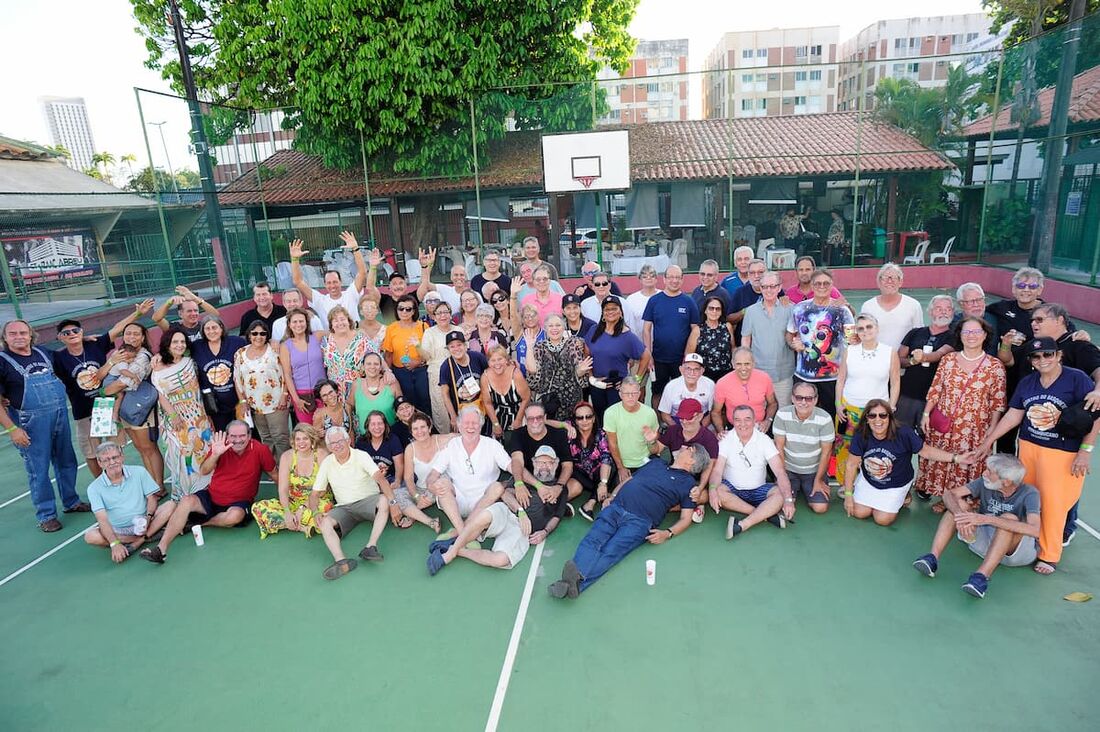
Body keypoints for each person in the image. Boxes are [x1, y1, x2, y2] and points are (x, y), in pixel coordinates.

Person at [979, 337, 1099, 575]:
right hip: (1029, 447)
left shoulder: (1077, 379)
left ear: (1058, 355)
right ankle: (1025, 544)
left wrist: (1085, 452)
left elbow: (1095, 418)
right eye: (1036, 356)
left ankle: (1049, 554)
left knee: (1054, 504)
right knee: (1026, 499)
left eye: (1047, 354)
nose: (1042, 360)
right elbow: (1014, 415)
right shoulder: (1028, 382)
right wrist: (989, 440)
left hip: (1062, 452)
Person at [547, 445, 711, 599]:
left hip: (639, 522)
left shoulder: (688, 484)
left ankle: (572, 583)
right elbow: (629, 480)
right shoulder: (657, 463)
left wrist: (667, 533)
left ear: (692, 461)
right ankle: (573, 585)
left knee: (611, 552)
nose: (682, 447)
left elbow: (686, 518)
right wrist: (612, 496)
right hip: (616, 507)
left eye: (688, 449)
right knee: (592, 540)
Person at [140, 421, 278, 564]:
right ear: (227, 436)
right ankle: (161, 549)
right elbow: (204, 470)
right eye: (233, 436)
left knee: (235, 516)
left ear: (249, 436)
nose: (237, 440)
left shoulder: (261, 450)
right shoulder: (220, 446)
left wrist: (288, 498)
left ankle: (200, 524)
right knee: (186, 500)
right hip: (212, 496)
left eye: (242, 436)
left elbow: (274, 474)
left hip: (239, 502)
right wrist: (216, 454)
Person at [0, 319, 91, 531]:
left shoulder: (43, 353)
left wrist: (83, 339)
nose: (19, 336)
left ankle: (71, 501)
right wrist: (12, 429)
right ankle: (46, 514)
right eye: (13, 334)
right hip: (29, 423)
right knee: (38, 469)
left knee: (67, 461)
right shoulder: (3, 361)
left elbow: (68, 354)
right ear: (5, 338)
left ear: (31, 335)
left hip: (58, 415)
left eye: (23, 332)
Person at [912, 454, 1041, 599]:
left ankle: (980, 578)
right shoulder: (985, 482)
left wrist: (987, 519)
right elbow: (949, 494)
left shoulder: (1030, 493)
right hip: (986, 542)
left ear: (1006, 482)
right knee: (958, 506)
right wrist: (959, 515)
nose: (984, 473)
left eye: (989, 472)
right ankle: (932, 558)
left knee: (1008, 519)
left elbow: (1034, 530)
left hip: (1016, 554)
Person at [427, 445, 565, 575]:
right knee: (484, 516)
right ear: (534, 463)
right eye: (541, 462)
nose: (544, 467)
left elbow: (556, 517)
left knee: (501, 560)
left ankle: (456, 550)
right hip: (507, 512)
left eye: (549, 463)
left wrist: (545, 532)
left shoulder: (560, 489)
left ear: (555, 464)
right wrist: (520, 511)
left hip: (523, 530)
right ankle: (448, 556)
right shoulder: (523, 477)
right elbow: (504, 492)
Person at [52, 301, 152, 477]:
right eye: (66, 333)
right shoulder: (57, 357)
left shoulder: (95, 344)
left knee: (114, 450)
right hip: (83, 411)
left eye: (75, 331)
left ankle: (119, 482)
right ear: (60, 337)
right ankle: (102, 484)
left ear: (82, 332)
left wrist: (138, 314)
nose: (72, 334)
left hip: (105, 405)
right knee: (92, 453)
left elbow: (118, 327)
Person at [914, 317, 1006, 506]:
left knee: (969, 462)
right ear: (960, 335)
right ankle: (944, 498)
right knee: (943, 460)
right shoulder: (948, 360)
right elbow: (936, 389)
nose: (971, 336)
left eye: (976, 332)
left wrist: (993, 429)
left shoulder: (995, 366)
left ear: (985, 335)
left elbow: (998, 401)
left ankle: (963, 498)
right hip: (945, 424)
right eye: (966, 332)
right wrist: (926, 414)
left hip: (975, 427)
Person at [842, 399, 970, 526]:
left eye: (883, 415)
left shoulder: (904, 432)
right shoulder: (861, 434)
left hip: (896, 483)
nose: (878, 420)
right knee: (859, 513)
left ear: (890, 418)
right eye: (872, 415)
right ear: (867, 419)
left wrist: (956, 458)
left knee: (882, 520)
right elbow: (851, 465)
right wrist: (848, 495)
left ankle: (904, 495)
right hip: (870, 480)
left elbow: (926, 451)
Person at [308, 426, 397, 580]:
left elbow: (381, 479)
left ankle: (371, 546)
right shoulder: (327, 462)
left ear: (348, 440)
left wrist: (393, 502)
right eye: (333, 443)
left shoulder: (361, 456)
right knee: (324, 522)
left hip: (368, 501)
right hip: (344, 507)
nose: (337, 445)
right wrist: (315, 511)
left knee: (383, 501)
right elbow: (314, 494)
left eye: (340, 440)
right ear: (328, 446)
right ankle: (341, 561)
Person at [707, 405, 795, 538]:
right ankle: (765, 515)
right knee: (718, 491)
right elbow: (717, 471)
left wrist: (788, 500)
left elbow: (780, 472)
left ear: (755, 421)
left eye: (747, 419)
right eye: (738, 419)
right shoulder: (725, 439)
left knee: (781, 494)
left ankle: (743, 524)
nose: (742, 424)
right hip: (732, 491)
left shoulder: (764, 440)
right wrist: (712, 490)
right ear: (732, 421)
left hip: (758, 489)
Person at [834, 314, 900, 485]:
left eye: (869, 327)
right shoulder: (850, 351)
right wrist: (838, 404)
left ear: (877, 328)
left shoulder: (889, 352)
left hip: (876, 414)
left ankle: (871, 483)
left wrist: (891, 408)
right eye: (861, 328)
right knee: (845, 449)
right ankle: (846, 484)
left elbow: (895, 382)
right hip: (849, 410)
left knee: (875, 449)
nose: (865, 331)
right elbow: (840, 380)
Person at [99, 321, 165, 491]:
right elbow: (100, 375)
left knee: (148, 447)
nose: (131, 337)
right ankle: (152, 485)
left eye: (136, 334)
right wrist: (110, 367)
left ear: (143, 338)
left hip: (140, 407)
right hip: (126, 408)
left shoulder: (144, 356)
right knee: (140, 448)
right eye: (128, 333)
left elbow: (128, 382)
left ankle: (159, 486)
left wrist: (105, 391)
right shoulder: (119, 354)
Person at [150, 325, 214, 500]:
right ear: (167, 344)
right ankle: (188, 493)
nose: (179, 345)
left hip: (198, 416)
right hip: (177, 419)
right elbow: (160, 394)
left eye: (182, 342)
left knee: (204, 450)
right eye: (175, 342)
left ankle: (208, 488)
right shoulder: (157, 367)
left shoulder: (189, 362)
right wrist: (173, 415)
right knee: (183, 453)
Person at [83, 442, 176, 561]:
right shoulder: (94, 488)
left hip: (145, 521)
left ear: (122, 457)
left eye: (115, 457)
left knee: (171, 505)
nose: (112, 462)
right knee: (90, 536)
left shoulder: (139, 472)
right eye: (106, 460)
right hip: (118, 530)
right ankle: (146, 537)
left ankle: (138, 542)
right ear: (100, 463)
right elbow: (102, 519)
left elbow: (152, 499)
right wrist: (114, 543)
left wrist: (147, 519)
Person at [425, 406, 511, 532]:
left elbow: (511, 466)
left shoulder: (492, 445)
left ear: (480, 426)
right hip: (459, 500)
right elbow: (433, 474)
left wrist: (523, 482)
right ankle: (463, 530)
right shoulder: (451, 445)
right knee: (441, 483)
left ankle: (462, 531)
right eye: (466, 423)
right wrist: (430, 485)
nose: (470, 427)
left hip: (485, 501)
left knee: (497, 487)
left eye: (475, 423)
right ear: (459, 425)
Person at [787, 267, 854, 421]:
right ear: (811, 286)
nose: (822, 287)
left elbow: (852, 341)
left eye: (826, 283)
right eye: (817, 284)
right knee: (804, 417)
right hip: (804, 376)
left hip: (833, 379)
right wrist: (793, 344)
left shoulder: (842, 311)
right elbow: (790, 335)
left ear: (832, 286)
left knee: (831, 420)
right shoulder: (799, 309)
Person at [250, 423, 333, 539]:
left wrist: (303, 508)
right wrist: (287, 511)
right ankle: (303, 526)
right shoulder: (287, 456)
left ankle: (286, 523)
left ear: (312, 440)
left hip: (317, 500)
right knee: (258, 507)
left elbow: (324, 489)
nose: (301, 442)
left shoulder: (321, 455)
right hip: (293, 501)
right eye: (298, 439)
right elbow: (283, 489)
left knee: (325, 510)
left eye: (305, 438)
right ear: (293, 441)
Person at [647, 398, 719, 521]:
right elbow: (656, 450)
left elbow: (709, 467)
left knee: (703, 495)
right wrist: (652, 440)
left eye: (688, 418)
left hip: (694, 481)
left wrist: (700, 488)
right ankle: (691, 507)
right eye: (681, 417)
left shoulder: (709, 438)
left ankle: (662, 507)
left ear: (700, 416)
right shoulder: (673, 430)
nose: (684, 421)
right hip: (673, 476)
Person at [772, 382, 835, 514]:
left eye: (809, 398)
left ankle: (805, 487)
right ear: (793, 398)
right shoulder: (782, 415)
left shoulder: (825, 418)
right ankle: (795, 487)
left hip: (813, 471)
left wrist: (818, 480)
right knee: (779, 504)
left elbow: (826, 452)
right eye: (799, 397)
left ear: (816, 399)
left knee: (820, 508)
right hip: (789, 469)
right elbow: (779, 448)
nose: (804, 402)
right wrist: (783, 477)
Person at [642, 265, 700, 408]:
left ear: (682, 279)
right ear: (664, 279)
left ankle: (679, 425)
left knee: (681, 394)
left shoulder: (689, 302)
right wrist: (649, 355)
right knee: (657, 393)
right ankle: (658, 423)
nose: (674, 280)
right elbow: (646, 330)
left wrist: (689, 356)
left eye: (677, 277)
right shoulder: (654, 301)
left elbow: (696, 330)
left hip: (681, 360)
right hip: (659, 358)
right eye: (671, 277)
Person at [895, 295, 956, 427]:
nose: (944, 312)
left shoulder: (955, 336)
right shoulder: (915, 333)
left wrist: (923, 357)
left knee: (927, 439)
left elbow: (940, 353)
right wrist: (912, 361)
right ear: (930, 312)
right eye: (939, 308)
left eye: (948, 309)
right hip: (907, 395)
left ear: (953, 312)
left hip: (936, 399)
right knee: (901, 434)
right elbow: (899, 359)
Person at [234, 320, 291, 460]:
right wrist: (242, 401)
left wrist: (284, 395)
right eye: (254, 333)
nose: (258, 336)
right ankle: (271, 465)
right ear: (249, 334)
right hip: (254, 405)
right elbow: (237, 379)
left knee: (280, 437)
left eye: (262, 333)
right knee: (265, 437)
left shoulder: (275, 350)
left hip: (277, 402)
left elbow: (285, 373)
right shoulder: (240, 353)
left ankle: (284, 466)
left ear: (267, 335)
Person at [585, 297, 650, 414]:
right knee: (600, 418)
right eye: (607, 309)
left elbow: (646, 355)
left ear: (620, 312)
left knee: (616, 418)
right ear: (603, 313)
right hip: (597, 384)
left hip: (617, 386)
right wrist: (591, 378)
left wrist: (636, 380)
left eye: (614, 309)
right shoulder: (594, 330)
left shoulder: (627, 336)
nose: (610, 312)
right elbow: (587, 352)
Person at [742, 270, 796, 407]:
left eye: (773, 286)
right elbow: (746, 340)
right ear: (760, 288)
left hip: (784, 374)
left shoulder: (791, 309)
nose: (769, 290)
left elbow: (797, 337)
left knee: (784, 412)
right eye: (765, 286)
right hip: (758, 373)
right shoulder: (751, 311)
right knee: (760, 413)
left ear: (779, 287)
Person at [289, 233, 367, 324]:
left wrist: (355, 249)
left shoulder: (350, 294)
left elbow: (362, 272)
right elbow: (298, 282)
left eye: (335, 282)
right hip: (331, 338)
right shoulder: (320, 300)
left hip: (354, 337)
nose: (332, 286)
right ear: (325, 284)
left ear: (341, 282)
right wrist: (295, 259)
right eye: (329, 283)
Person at [509, 401, 574, 508]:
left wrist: (559, 486)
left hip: (553, 481)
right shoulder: (518, 434)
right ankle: (557, 505)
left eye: (539, 417)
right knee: (506, 488)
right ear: (525, 420)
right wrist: (519, 483)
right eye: (531, 418)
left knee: (576, 487)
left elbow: (567, 465)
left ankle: (547, 503)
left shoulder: (559, 434)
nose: (535, 421)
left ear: (545, 418)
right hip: (529, 480)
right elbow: (517, 460)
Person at [525, 314, 589, 422]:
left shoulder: (573, 344)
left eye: (558, 325)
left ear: (563, 327)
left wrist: (581, 370)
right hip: (549, 401)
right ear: (545, 328)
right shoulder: (539, 347)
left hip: (571, 399)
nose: (554, 328)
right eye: (551, 326)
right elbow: (532, 371)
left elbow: (579, 372)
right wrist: (530, 347)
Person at [190, 315, 247, 431]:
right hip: (214, 405)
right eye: (207, 328)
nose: (211, 331)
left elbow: (256, 345)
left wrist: (273, 342)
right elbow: (175, 352)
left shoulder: (236, 342)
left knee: (245, 433)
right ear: (203, 331)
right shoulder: (197, 347)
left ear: (221, 328)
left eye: (214, 327)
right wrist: (159, 356)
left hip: (238, 400)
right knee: (222, 435)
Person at [603, 377, 660, 486]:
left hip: (644, 461)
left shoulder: (650, 413)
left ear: (639, 394)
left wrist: (652, 441)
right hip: (621, 463)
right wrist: (621, 468)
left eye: (634, 393)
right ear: (620, 394)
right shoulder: (611, 413)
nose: (630, 397)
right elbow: (612, 444)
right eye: (626, 393)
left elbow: (654, 450)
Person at [396, 413, 447, 532]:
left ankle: (413, 514)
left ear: (429, 428)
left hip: (438, 486)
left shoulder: (441, 440)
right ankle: (430, 521)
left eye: (423, 427)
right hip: (421, 488)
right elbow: (408, 478)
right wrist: (416, 496)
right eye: (415, 429)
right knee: (396, 494)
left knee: (442, 480)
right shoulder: (410, 449)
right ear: (412, 432)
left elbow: (461, 435)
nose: (420, 431)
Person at [382, 294, 431, 417]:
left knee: (425, 401)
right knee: (406, 403)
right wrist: (387, 372)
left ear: (414, 310)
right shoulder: (391, 329)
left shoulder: (424, 327)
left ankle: (428, 428)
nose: (404, 312)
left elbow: (429, 352)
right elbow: (388, 354)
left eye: (408, 309)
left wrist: (418, 362)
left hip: (421, 370)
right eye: (401, 308)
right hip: (400, 372)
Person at [567, 401, 615, 521]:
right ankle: (603, 495)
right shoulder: (570, 430)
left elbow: (605, 458)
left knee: (609, 467)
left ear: (594, 418)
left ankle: (591, 503)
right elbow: (547, 422)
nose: (584, 420)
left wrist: (603, 483)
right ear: (575, 421)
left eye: (588, 417)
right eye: (580, 418)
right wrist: (564, 426)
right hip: (579, 473)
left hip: (597, 473)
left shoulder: (600, 434)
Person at [355, 411, 406, 520]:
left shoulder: (393, 439)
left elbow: (399, 464)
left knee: (402, 487)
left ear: (385, 425)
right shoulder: (361, 442)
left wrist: (397, 481)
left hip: (390, 479)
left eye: (380, 423)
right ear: (367, 426)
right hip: (370, 482)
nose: (377, 427)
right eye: (373, 424)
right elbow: (358, 469)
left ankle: (395, 507)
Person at [712, 349, 777, 435]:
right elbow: (715, 412)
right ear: (733, 364)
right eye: (739, 364)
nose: (743, 368)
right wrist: (721, 431)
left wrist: (768, 421)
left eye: (747, 364)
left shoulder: (764, 378)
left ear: (753, 363)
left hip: (761, 427)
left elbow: (773, 403)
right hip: (735, 428)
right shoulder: (722, 383)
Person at [278, 308, 326, 425]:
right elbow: (287, 375)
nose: (298, 324)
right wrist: (296, 399)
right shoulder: (285, 346)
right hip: (302, 394)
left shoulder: (317, 336)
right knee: (309, 429)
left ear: (306, 323)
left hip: (322, 391)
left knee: (325, 426)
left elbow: (338, 331)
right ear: (289, 324)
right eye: (294, 322)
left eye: (301, 321)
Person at [859, 263, 923, 348]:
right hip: (874, 358)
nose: (889, 281)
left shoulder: (914, 305)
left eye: (894, 278)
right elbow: (862, 335)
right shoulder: (868, 306)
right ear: (879, 282)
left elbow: (919, 336)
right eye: (885, 278)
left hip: (902, 360)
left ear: (900, 282)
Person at [419, 298, 458, 432]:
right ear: (434, 317)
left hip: (457, 373)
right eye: (439, 313)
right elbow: (426, 357)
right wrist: (417, 347)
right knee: (440, 409)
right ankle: (445, 438)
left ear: (450, 314)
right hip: (436, 374)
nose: (443, 316)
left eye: (445, 312)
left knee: (459, 404)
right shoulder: (429, 332)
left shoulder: (457, 330)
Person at [438, 330, 489, 432]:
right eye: (452, 346)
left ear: (466, 345)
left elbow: (490, 376)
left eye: (459, 345)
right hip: (462, 410)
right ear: (448, 349)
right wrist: (453, 417)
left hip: (483, 407)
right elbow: (445, 394)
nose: (456, 349)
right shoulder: (446, 366)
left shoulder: (477, 357)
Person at [481, 345, 530, 440]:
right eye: (493, 360)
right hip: (498, 414)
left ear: (506, 360)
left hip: (519, 411)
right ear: (488, 362)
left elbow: (526, 398)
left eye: (500, 359)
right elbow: (487, 403)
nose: (497, 364)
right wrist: (495, 424)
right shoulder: (485, 377)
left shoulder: (516, 374)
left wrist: (518, 420)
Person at [320, 305, 368, 400]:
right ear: (331, 324)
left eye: (342, 319)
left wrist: (387, 371)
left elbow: (377, 357)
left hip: (358, 390)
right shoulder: (326, 342)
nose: (340, 323)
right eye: (335, 321)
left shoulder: (361, 338)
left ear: (348, 321)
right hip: (334, 393)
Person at [656, 353, 715, 428]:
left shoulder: (710, 384)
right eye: (688, 368)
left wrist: (699, 430)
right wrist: (678, 430)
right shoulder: (671, 386)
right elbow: (665, 414)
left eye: (696, 369)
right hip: (678, 421)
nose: (692, 373)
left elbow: (712, 412)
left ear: (702, 371)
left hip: (702, 420)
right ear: (681, 369)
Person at [686, 295, 735, 383]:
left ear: (721, 311)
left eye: (718, 309)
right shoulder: (698, 330)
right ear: (705, 310)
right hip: (704, 375)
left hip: (726, 374)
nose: (714, 311)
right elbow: (689, 354)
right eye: (711, 308)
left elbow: (733, 348)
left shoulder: (727, 327)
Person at [363, 247, 418, 322]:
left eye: (401, 283)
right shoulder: (384, 300)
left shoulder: (413, 298)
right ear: (389, 287)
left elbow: (425, 285)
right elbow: (370, 287)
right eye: (394, 284)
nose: (398, 286)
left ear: (406, 285)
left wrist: (426, 267)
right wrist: (373, 266)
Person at [151, 285, 219, 342]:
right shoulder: (174, 328)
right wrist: (169, 302)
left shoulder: (204, 326)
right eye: (189, 311)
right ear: (180, 314)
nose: (193, 314)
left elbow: (215, 315)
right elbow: (156, 318)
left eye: (195, 310)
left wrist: (195, 298)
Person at [417, 247, 474, 313]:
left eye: (462, 275)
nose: (459, 277)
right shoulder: (445, 290)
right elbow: (424, 286)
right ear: (451, 278)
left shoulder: (474, 295)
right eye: (455, 275)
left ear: (466, 277)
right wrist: (426, 266)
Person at [352, 352, 401, 427]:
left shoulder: (391, 383)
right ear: (362, 367)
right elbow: (349, 405)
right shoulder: (356, 384)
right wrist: (350, 427)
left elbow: (402, 406)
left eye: (376, 364)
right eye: (368, 364)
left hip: (390, 435)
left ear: (381, 367)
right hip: (364, 437)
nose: (372, 367)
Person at [727, 258, 767, 339]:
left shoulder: (775, 291)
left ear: (767, 273)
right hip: (744, 341)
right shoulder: (740, 292)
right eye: (752, 273)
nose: (756, 276)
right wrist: (745, 311)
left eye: (760, 272)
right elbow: (729, 318)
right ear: (748, 275)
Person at [512, 304, 546, 380]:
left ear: (538, 316)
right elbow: (513, 316)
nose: (530, 319)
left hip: (542, 379)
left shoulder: (546, 334)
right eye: (526, 317)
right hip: (523, 379)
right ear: (522, 320)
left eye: (533, 315)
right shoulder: (519, 334)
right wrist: (513, 297)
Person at [624, 264, 660, 335]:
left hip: (661, 343)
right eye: (644, 276)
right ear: (640, 279)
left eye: (652, 276)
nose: (648, 278)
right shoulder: (631, 299)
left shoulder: (664, 296)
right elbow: (628, 323)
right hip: (639, 342)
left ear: (656, 279)